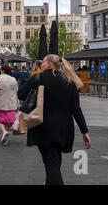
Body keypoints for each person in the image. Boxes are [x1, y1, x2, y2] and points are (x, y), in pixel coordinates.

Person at [18, 55, 91, 185]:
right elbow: (76, 109)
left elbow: (21, 94)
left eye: (43, 62)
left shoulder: (39, 78)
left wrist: (34, 75)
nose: (41, 64)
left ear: (50, 64)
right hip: (64, 128)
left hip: (43, 126)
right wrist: (84, 131)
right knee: (55, 161)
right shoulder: (69, 81)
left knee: (51, 165)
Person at [0, 66, 18, 146]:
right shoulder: (13, 79)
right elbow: (16, 90)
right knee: (9, 120)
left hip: (0, 102)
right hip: (11, 103)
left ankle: (4, 131)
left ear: (2, 70)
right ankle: (5, 136)